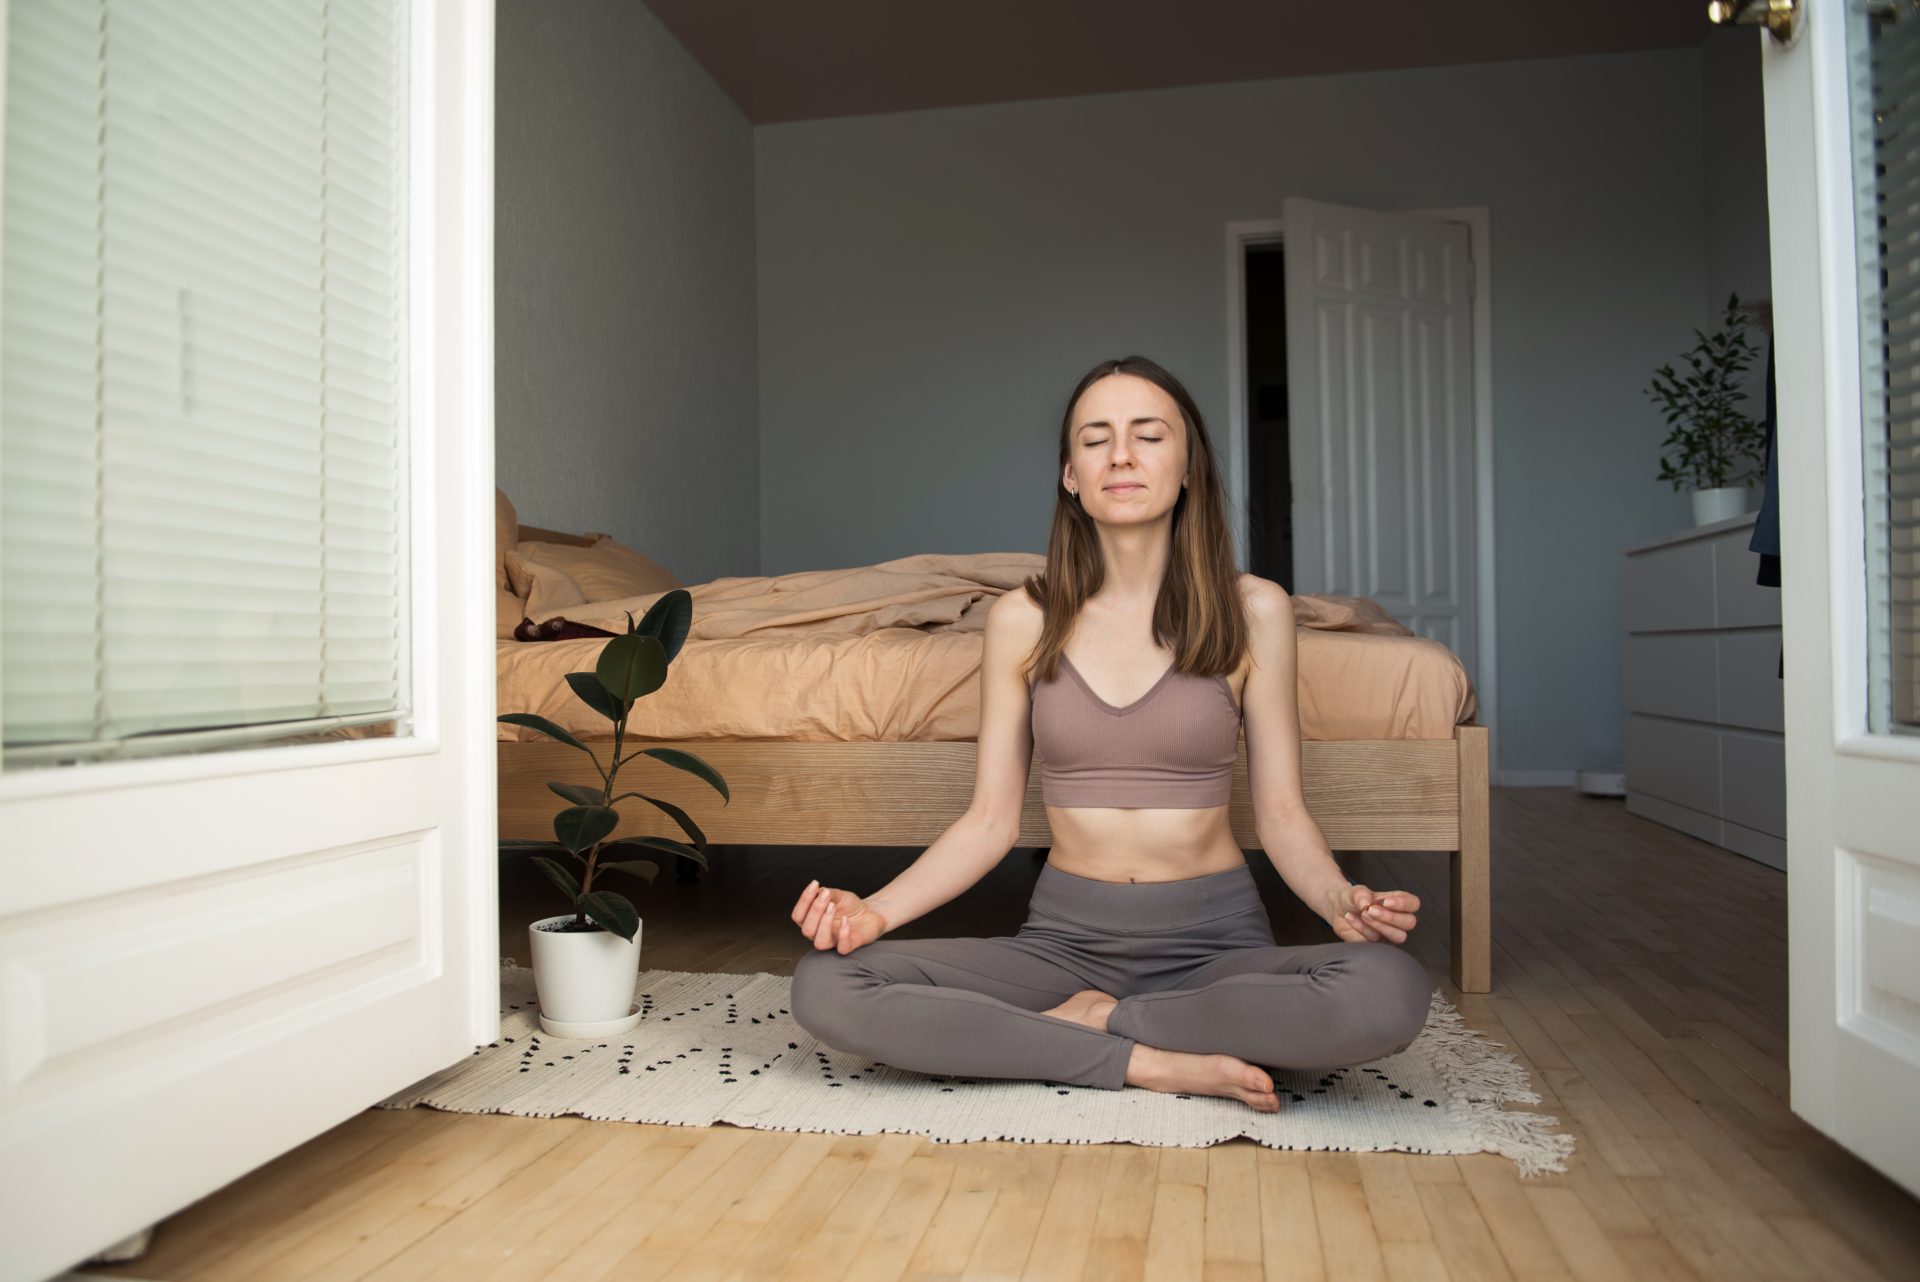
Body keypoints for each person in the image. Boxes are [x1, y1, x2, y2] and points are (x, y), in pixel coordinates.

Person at [786, 355, 1432, 1112]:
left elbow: (1283, 813)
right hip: (1062, 943)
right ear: (1070, 474)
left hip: (1214, 945)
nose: (1121, 455)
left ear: (1188, 466)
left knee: (1389, 990)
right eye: (1096, 439)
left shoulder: (1254, 610)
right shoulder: (1022, 619)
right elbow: (990, 821)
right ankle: (1149, 1060)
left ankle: (1102, 1026)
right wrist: (875, 912)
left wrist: (1340, 901)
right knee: (825, 985)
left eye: (1148, 435)